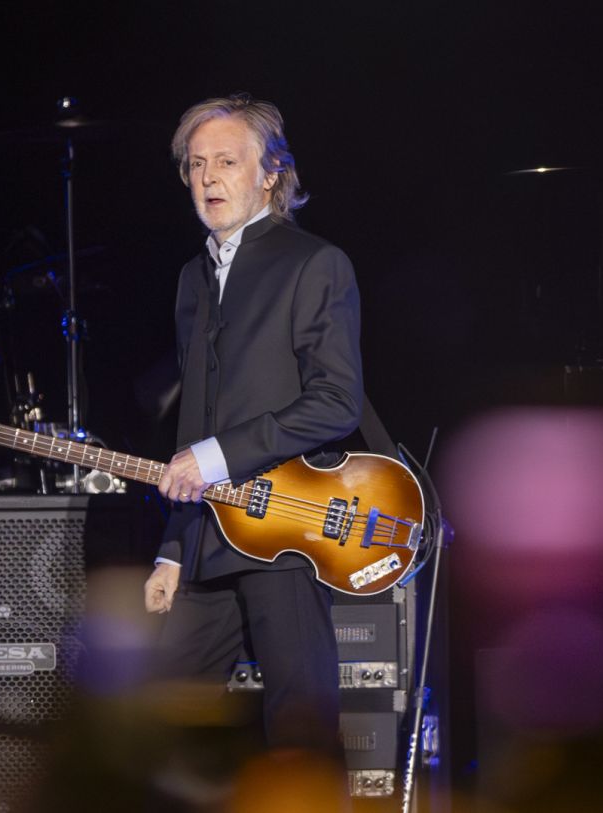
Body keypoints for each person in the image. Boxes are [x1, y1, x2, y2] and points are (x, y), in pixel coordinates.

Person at [145, 94, 363, 756]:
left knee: (300, 731)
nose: (207, 177)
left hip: (287, 531)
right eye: (196, 164)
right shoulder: (192, 278)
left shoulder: (312, 262)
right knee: (159, 723)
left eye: (227, 161)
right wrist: (173, 549)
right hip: (208, 534)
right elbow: (195, 420)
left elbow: (336, 400)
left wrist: (219, 458)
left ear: (271, 173)